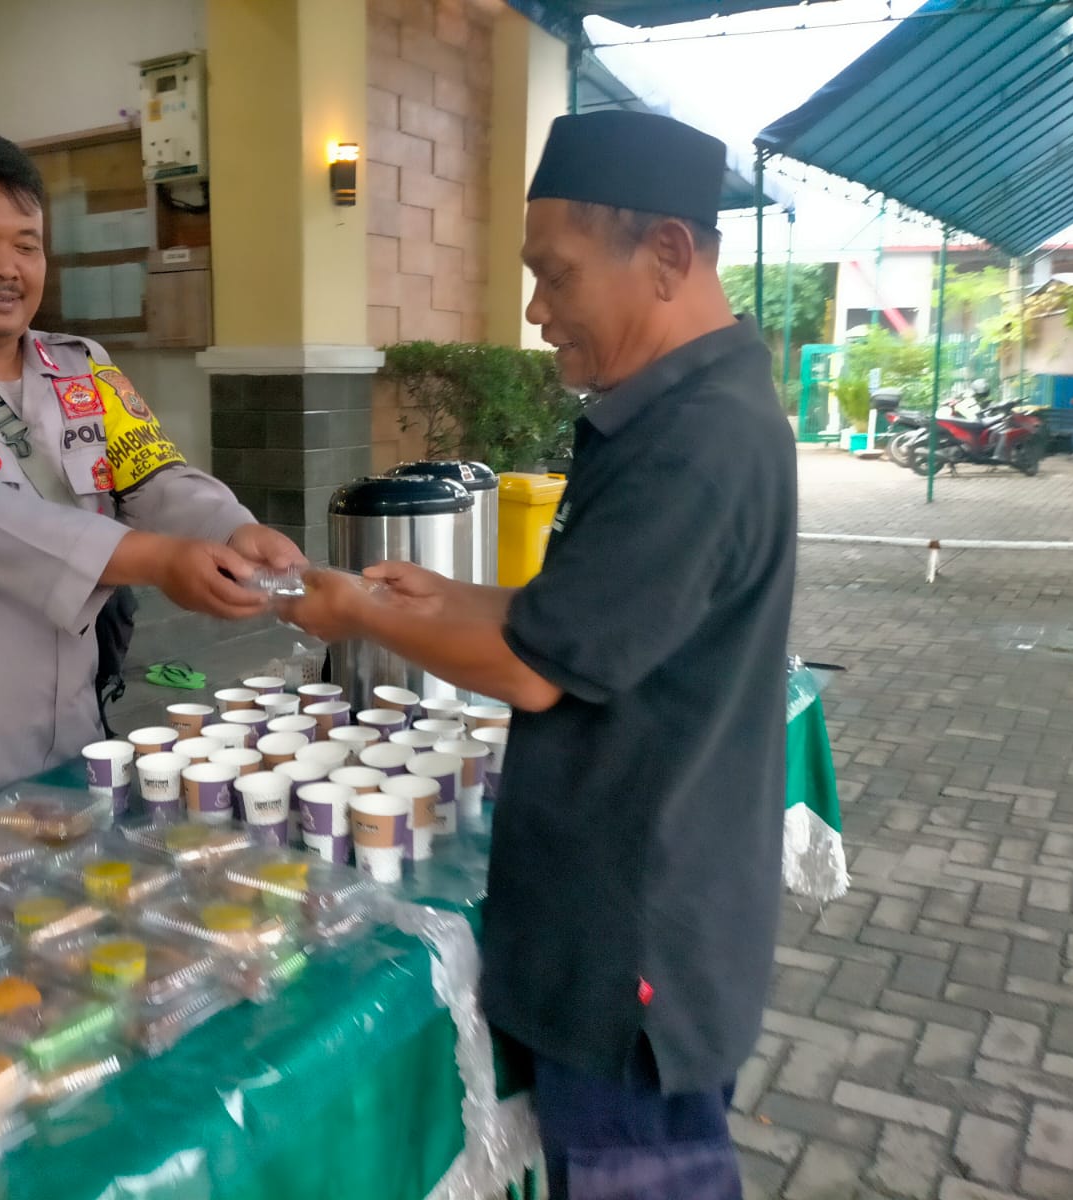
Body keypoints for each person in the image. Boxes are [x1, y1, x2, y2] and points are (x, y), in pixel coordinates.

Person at [281, 111, 797, 1200]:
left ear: (664, 253)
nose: (536, 310)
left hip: (635, 947)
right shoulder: (669, 412)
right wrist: (449, 596)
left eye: (554, 274)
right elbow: (585, 615)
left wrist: (362, 614)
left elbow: (532, 666)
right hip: (638, 907)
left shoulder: (700, 442)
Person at [0, 132, 301, 836]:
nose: (7, 268)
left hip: (67, 733)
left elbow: (152, 472)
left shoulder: (79, 365)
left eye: (28, 245)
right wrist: (156, 560)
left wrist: (232, 528)